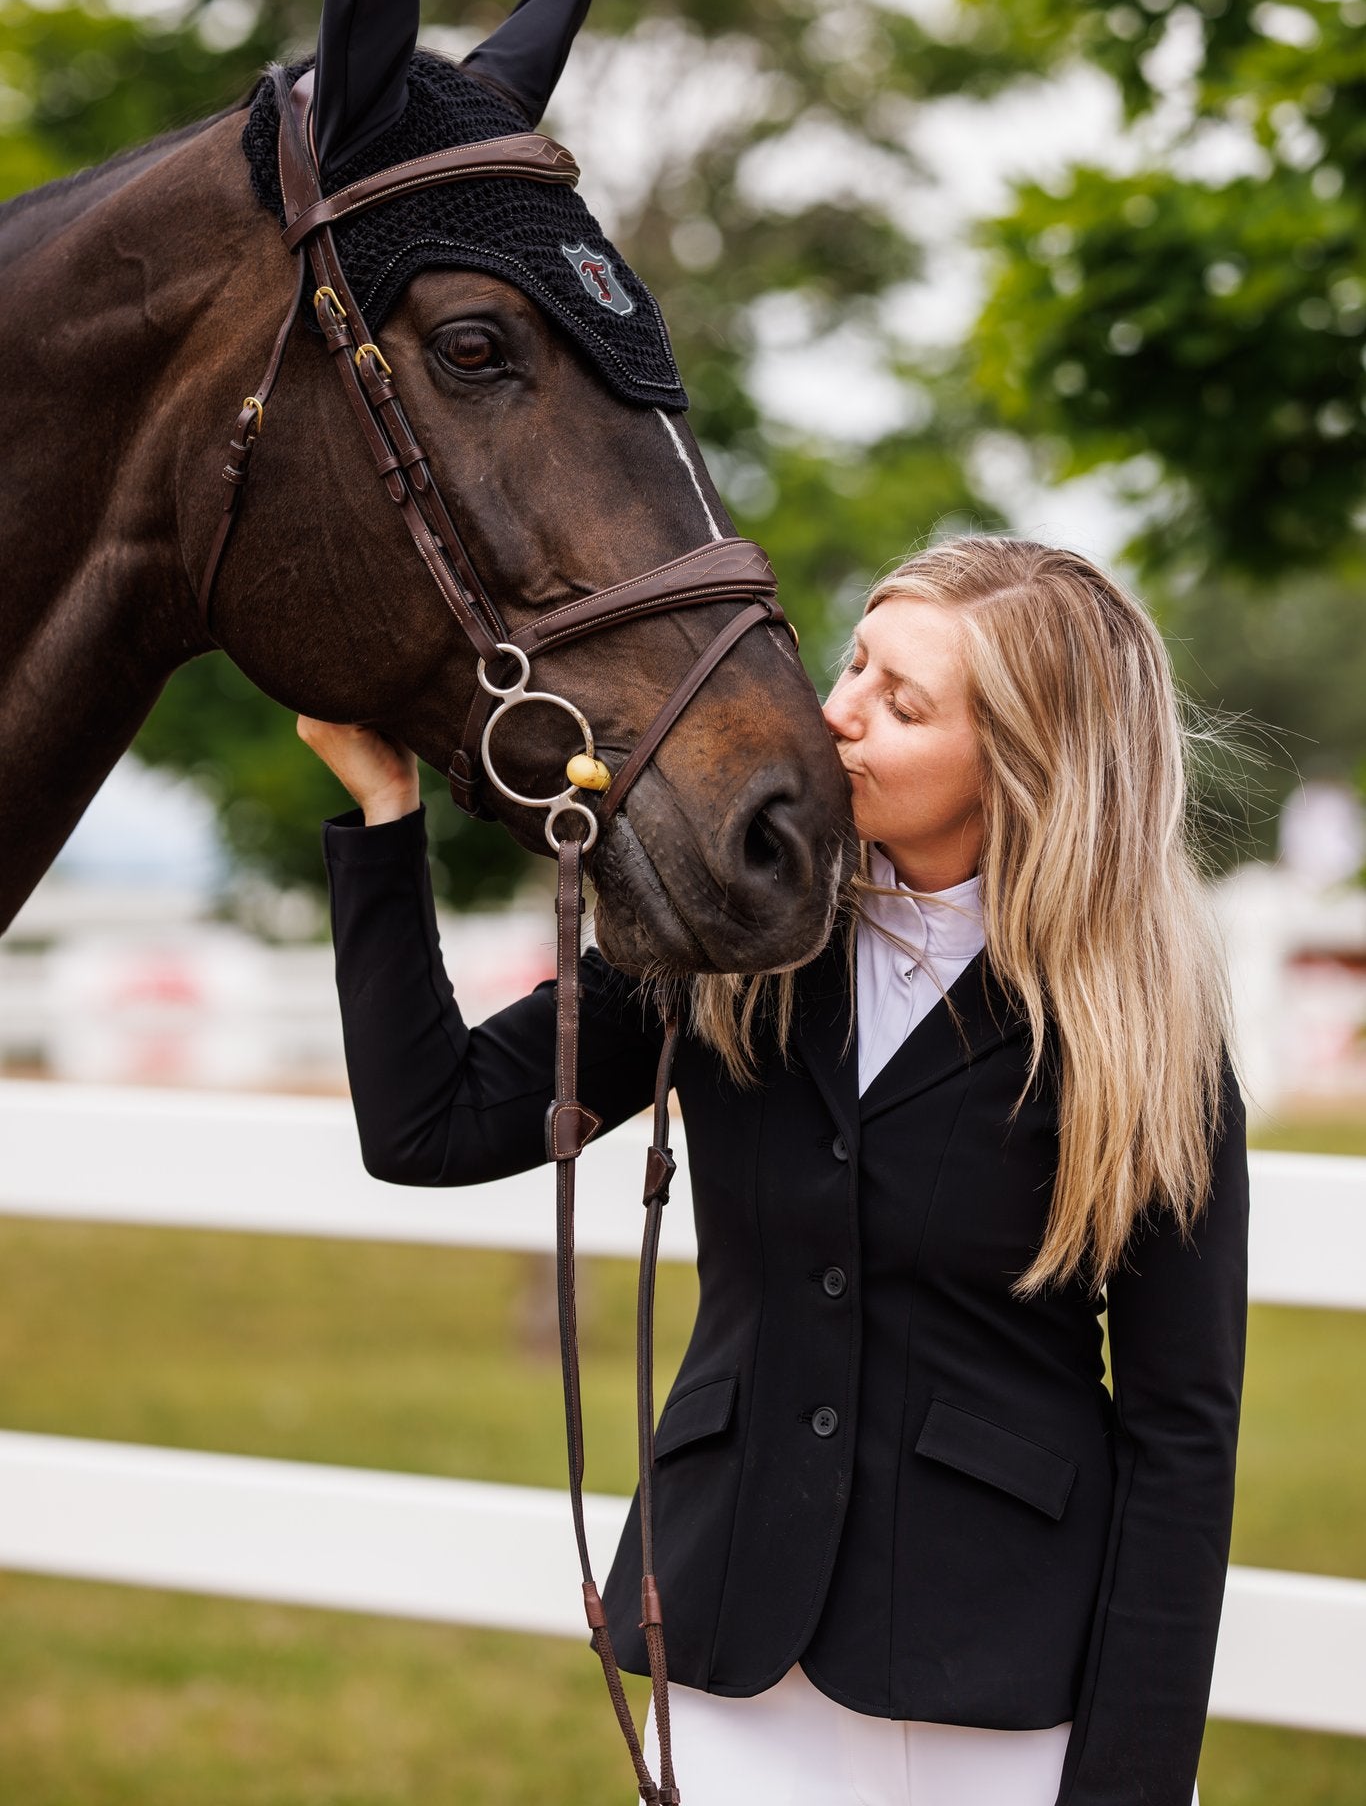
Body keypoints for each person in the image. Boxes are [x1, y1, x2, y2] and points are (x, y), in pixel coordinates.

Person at [298, 533, 1248, 1806]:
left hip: (1007, 1681)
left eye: (900, 702)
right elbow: (432, 1122)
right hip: (732, 1650)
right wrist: (383, 814)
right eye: (850, 663)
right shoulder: (728, 939)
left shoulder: (1145, 1043)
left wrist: (1130, 1783)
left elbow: (1182, 1435)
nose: (835, 712)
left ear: (1025, 765)